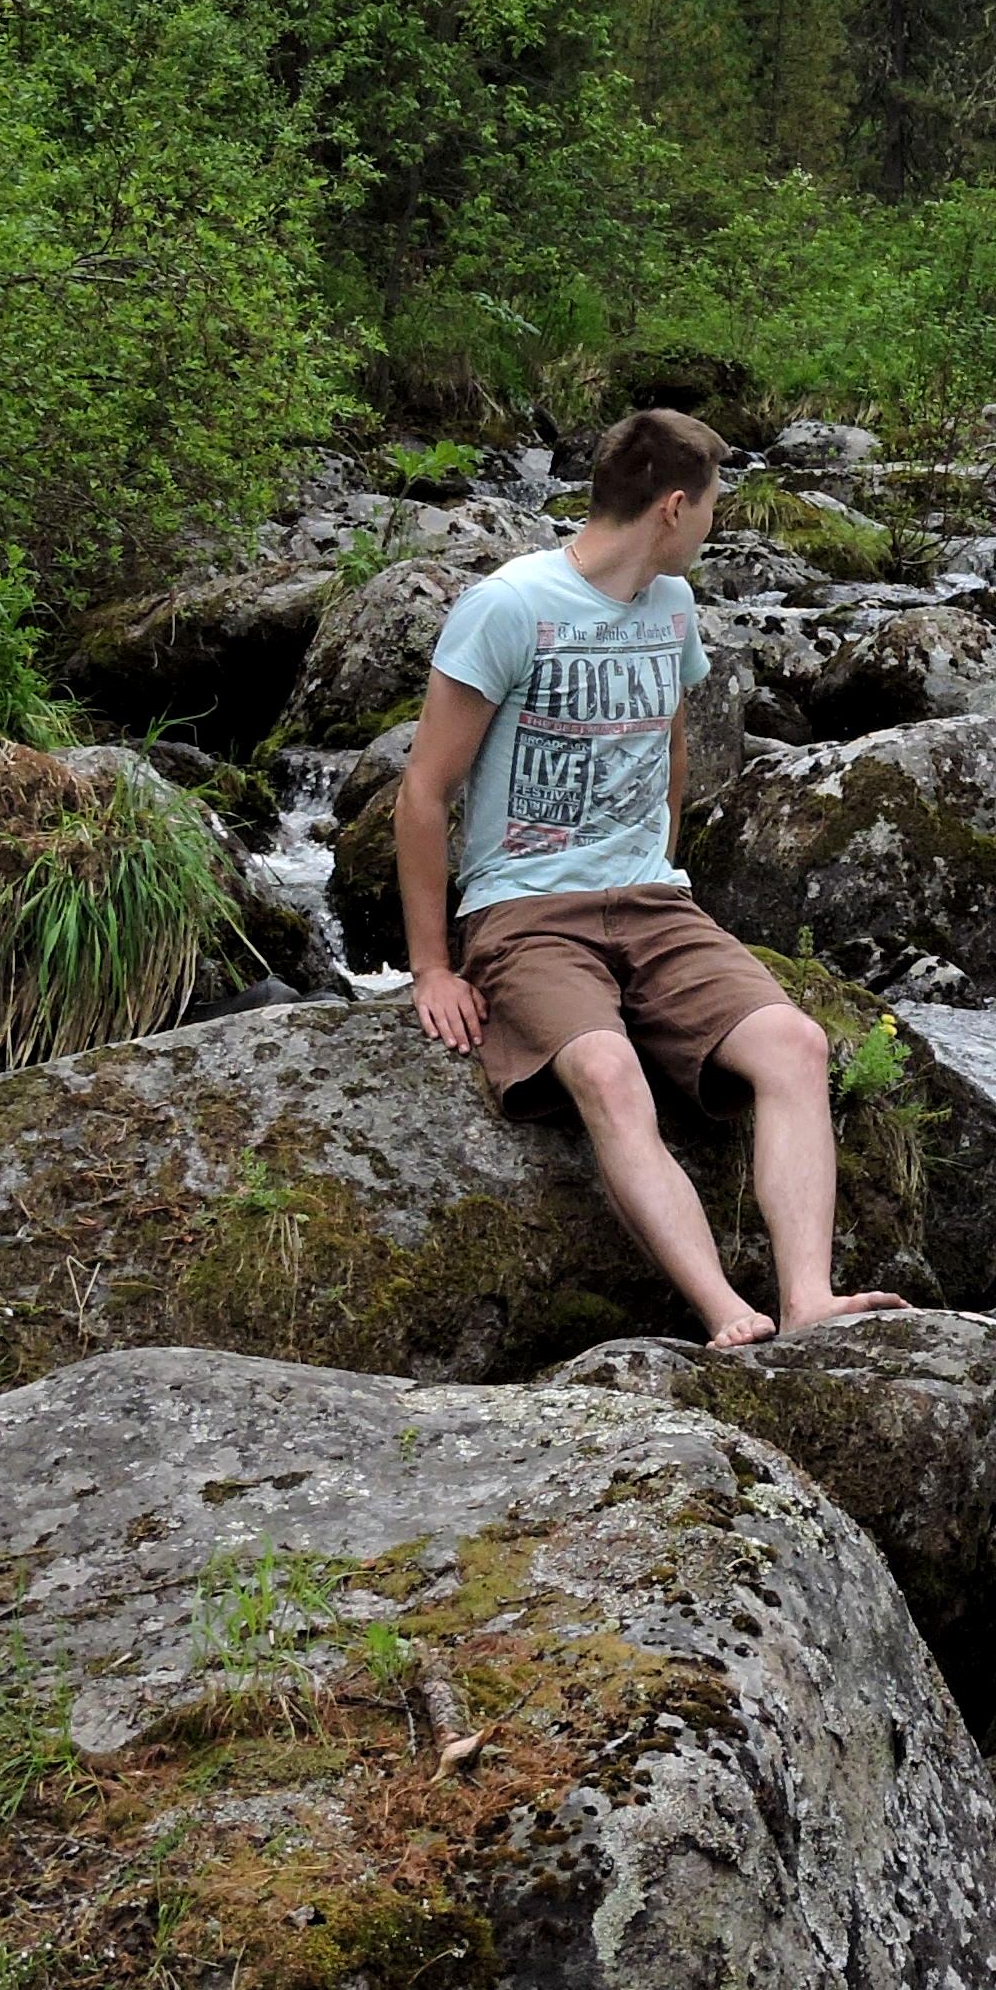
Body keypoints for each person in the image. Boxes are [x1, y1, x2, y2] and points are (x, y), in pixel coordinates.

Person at [398, 405, 890, 1348]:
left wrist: (665, 867)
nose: (713, 526)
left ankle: (809, 1298)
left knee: (794, 1045)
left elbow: (668, 743)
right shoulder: (508, 607)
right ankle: (725, 1312)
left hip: (654, 903)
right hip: (528, 913)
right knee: (607, 1069)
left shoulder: (672, 606)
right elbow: (422, 793)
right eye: (710, 509)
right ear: (673, 506)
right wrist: (433, 966)